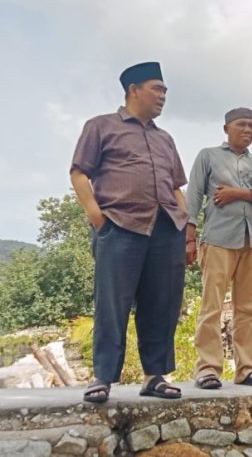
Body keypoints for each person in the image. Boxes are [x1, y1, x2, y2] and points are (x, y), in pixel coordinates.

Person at [70, 62, 188, 403]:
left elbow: (177, 184)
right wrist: (98, 218)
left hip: (166, 227)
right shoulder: (101, 126)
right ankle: (103, 377)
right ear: (133, 89)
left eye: (165, 91)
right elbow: (79, 173)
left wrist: (184, 218)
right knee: (112, 304)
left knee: (162, 304)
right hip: (119, 225)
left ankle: (155, 376)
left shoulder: (165, 138)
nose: (163, 96)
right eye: (157, 89)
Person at [186, 107, 252, 389]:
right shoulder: (208, 156)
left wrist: (239, 193)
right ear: (226, 128)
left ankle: (247, 369)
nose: (248, 130)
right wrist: (189, 236)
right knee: (211, 306)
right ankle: (208, 369)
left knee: (249, 309)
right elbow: (193, 196)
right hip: (218, 239)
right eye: (242, 125)